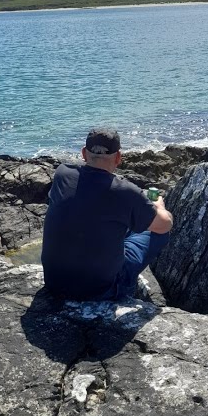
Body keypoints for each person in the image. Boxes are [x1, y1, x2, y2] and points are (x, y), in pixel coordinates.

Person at [41, 128, 173, 301]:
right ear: (118, 157)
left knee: (115, 223)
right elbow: (164, 225)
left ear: (84, 153)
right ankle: (124, 288)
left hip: (54, 283)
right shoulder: (125, 192)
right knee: (157, 232)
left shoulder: (62, 173)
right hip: (100, 291)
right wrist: (159, 207)